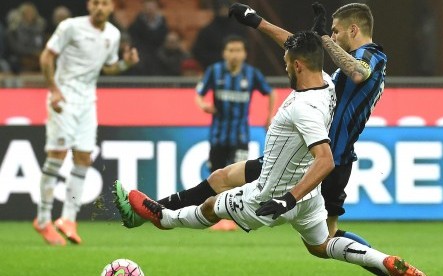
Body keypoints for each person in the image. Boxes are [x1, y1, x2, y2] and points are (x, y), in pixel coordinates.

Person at [115, 19, 423, 274]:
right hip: (309, 197)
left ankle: (163, 218)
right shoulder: (328, 81)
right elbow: (299, 48)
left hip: (272, 194)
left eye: (288, 64)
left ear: (298, 66)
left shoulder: (304, 108)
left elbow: (325, 160)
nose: (285, 67)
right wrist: (256, 21)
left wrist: (286, 200)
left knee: (211, 206)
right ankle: (381, 261)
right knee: (320, 245)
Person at [33, 0, 139, 246]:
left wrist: (126, 64)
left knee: (83, 159)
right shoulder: (70, 27)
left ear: (111, 7)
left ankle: (68, 219)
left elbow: (108, 68)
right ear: (89, 5)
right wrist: (54, 90)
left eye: (104, 3)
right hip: (63, 97)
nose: (100, 7)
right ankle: (42, 218)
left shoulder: (112, 34)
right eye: (95, 3)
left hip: (88, 101)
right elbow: (47, 57)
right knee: (57, 155)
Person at [195, 34, 276, 230]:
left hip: (240, 136)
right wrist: (203, 105)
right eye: (231, 50)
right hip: (218, 135)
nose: (234, 54)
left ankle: (232, 218)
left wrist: (269, 117)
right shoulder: (214, 72)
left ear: (244, 53)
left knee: (237, 178)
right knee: (216, 176)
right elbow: (198, 93)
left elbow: (270, 92)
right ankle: (216, 217)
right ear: (224, 53)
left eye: (238, 50)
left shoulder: (251, 74)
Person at [192, 0, 246, 69]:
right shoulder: (206, 31)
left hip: (236, 68)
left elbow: (246, 48)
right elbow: (198, 52)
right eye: (221, 8)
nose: (224, 10)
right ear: (216, 10)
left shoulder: (239, 30)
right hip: (214, 69)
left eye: (226, 7)